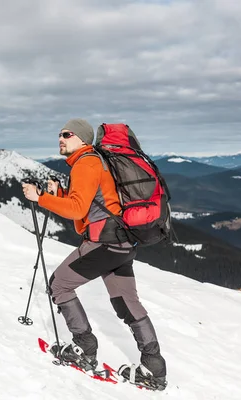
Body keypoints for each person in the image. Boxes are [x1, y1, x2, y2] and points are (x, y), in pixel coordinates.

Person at [21, 118, 167, 390]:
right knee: (127, 302)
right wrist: (61, 193)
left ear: (82, 138)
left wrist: (39, 197)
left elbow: (77, 211)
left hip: (104, 244)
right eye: (60, 134)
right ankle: (154, 367)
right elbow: (87, 214)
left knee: (59, 285)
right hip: (122, 244)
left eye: (67, 134)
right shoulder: (95, 162)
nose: (61, 138)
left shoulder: (86, 162)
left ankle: (84, 348)